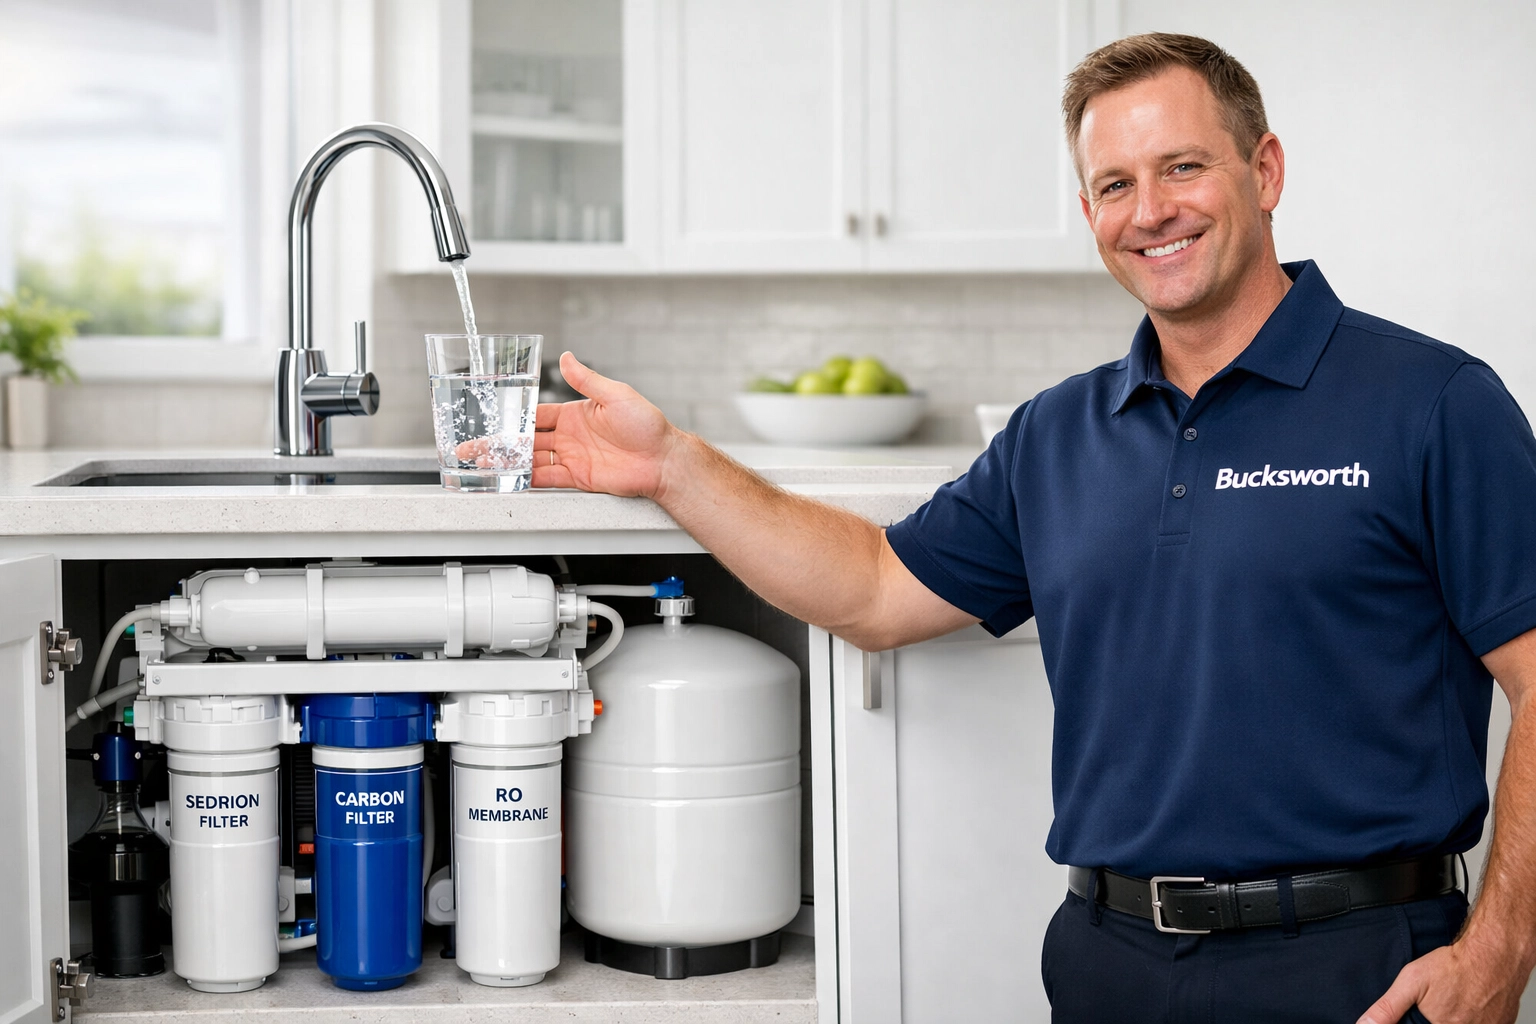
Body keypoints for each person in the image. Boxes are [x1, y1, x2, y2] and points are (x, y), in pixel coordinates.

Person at [503, 33, 1536, 1024]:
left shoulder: (1433, 403)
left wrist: (1496, 956)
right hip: (1110, 964)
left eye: (1182, 166)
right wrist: (672, 465)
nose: (1152, 211)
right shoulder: (1057, 434)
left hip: (1356, 969)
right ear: (1087, 209)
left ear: (1264, 170)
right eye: (1116, 184)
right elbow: (872, 585)